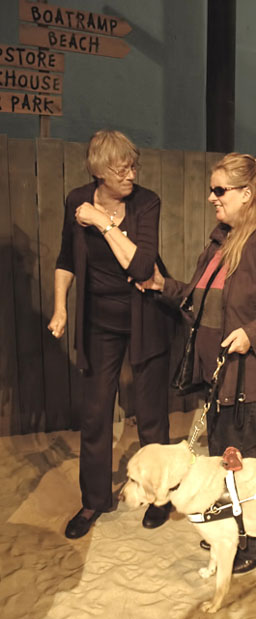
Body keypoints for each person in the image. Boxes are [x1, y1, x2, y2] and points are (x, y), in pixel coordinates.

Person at [137, 152, 256, 573]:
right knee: (223, 458)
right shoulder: (223, 238)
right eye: (212, 188)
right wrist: (165, 286)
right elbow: (207, 304)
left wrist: (254, 334)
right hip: (220, 377)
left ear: (247, 193)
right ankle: (232, 535)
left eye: (220, 190)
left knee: (242, 462)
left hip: (251, 378)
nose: (211, 197)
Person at [48, 130, 174, 539]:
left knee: (152, 415)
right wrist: (61, 307)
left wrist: (101, 221)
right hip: (98, 323)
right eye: (123, 169)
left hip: (145, 318)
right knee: (95, 414)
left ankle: (160, 496)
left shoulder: (146, 203)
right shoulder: (75, 200)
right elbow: (66, 258)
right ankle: (94, 500)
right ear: (101, 171)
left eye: (134, 166)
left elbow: (141, 267)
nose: (132, 175)